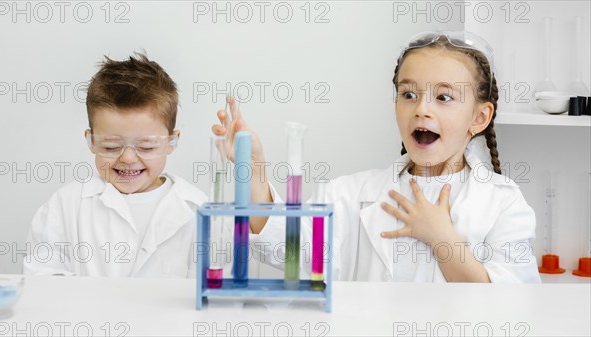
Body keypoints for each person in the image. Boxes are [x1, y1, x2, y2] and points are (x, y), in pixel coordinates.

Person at [212, 32, 541, 283]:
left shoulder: (503, 203)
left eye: (444, 97)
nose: (421, 109)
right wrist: (253, 170)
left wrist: (443, 241)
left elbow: (511, 304)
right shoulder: (349, 195)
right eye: (408, 94)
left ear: (479, 118)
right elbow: (291, 253)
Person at [24, 53, 232, 277]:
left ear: (172, 141)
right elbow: (42, 282)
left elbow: (214, 294)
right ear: (91, 141)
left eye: (147, 146)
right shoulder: (65, 205)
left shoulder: (197, 209)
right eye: (112, 146)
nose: (128, 159)